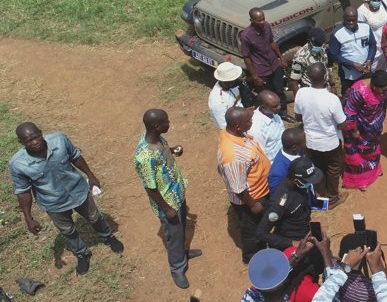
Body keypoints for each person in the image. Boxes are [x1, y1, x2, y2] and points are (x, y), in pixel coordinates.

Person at [10, 123, 124, 276]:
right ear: (21, 143)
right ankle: (82, 253)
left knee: (95, 217)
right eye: (28, 141)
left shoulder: (60, 140)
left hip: (77, 190)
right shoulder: (18, 164)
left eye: (36, 137)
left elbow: (75, 157)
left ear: (41, 133)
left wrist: (91, 176)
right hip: (53, 202)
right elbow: (23, 192)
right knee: (67, 230)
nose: (35, 142)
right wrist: (28, 218)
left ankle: (107, 237)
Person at [134, 109, 197, 288]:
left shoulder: (157, 139)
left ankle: (183, 253)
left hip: (177, 192)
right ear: (156, 126)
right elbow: (150, 188)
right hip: (168, 201)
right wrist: (167, 209)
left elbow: (161, 155)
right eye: (166, 122)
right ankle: (177, 268)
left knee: (181, 228)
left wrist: (172, 150)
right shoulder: (144, 157)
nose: (169, 123)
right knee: (174, 235)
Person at [218, 107, 271, 264]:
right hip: (251, 198)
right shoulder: (233, 156)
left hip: (260, 190)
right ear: (238, 127)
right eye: (248, 121)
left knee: (260, 225)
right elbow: (238, 187)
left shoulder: (230, 132)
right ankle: (253, 258)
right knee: (251, 231)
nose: (251, 122)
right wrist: (253, 204)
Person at [294, 63, 347, 205]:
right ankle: (332, 198)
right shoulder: (332, 99)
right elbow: (342, 124)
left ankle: (320, 196)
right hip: (330, 142)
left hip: (310, 141)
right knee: (333, 169)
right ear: (326, 77)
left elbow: (298, 117)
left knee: (317, 168)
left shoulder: (301, 93)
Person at [256, 157, 323, 260]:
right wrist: (292, 243)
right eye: (308, 181)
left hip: (305, 232)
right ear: (296, 180)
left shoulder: (300, 186)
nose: (311, 183)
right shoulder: (280, 203)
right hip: (291, 245)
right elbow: (261, 233)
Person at [342, 70, 387, 191]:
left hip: (374, 128)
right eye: (383, 90)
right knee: (358, 154)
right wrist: (354, 130)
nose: (386, 92)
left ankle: (374, 171)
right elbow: (349, 113)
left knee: (372, 150)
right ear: (374, 86)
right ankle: (360, 180)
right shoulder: (358, 92)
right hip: (359, 129)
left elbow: (383, 101)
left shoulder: (382, 86)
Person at [241, 8, 289, 111]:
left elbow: (272, 42)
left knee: (279, 90)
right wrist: (255, 76)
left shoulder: (267, 26)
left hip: (274, 64)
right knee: (268, 95)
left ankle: (283, 112)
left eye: (263, 19)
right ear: (251, 20)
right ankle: (271, 114)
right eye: (259, 20)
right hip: (261, 70)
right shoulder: (246, 36)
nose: (262, 22)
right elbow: (247, 58)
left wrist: (281, 58)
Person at [329, 6, 376, 96]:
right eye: (348, 20)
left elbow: (372, 45)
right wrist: (352, 65)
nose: (351, 23)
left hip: (365, 72)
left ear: (357, 18)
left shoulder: (365, 27)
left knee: (366, 95)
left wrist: (369, 60)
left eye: (353, 20)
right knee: (349, 97)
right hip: (348, 76)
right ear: (343, 19)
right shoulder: (336, 33)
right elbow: (334, 54)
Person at [249, 90, 286, 162]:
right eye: (275, 106)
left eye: (279, 103)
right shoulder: (256, 127)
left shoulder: (273, 113)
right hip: (272, 164)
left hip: (284, 155)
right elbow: (259, 154)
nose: (279, 107)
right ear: (263, 107)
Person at [288, 28, 329, 92]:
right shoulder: (300, 57)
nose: (319, 47)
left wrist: (332, 84)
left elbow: (326, 67)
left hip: (325, 86)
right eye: (316, 45)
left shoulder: (322, 47)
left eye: (320, 45)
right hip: (311, 89)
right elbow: (294, 82)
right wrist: (299, 99)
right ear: (309, 41)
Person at [267, 127, 307, 191]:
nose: (307, 143)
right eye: (305, 142)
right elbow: (277, 198)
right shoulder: (277, 173)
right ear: (294, 147)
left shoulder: (298, 151)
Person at [209, 61, 246, 129]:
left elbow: (238, 102)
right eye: (236, 79)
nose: (239, 80)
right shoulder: (218, 103)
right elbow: (225, 127)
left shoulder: (230, 85)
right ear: (227, 82)